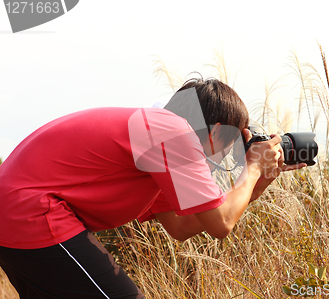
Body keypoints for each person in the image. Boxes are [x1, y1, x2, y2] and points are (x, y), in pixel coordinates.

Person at [0, 77, 306, 299]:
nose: (228, 154)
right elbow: (221, 223)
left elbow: (182, 226)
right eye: (231, 142)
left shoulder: (158, 143)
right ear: (214, 131)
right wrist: (252, 166)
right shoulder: (173, 132)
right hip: (34, 213)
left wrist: (260, 181)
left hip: (14, 216)